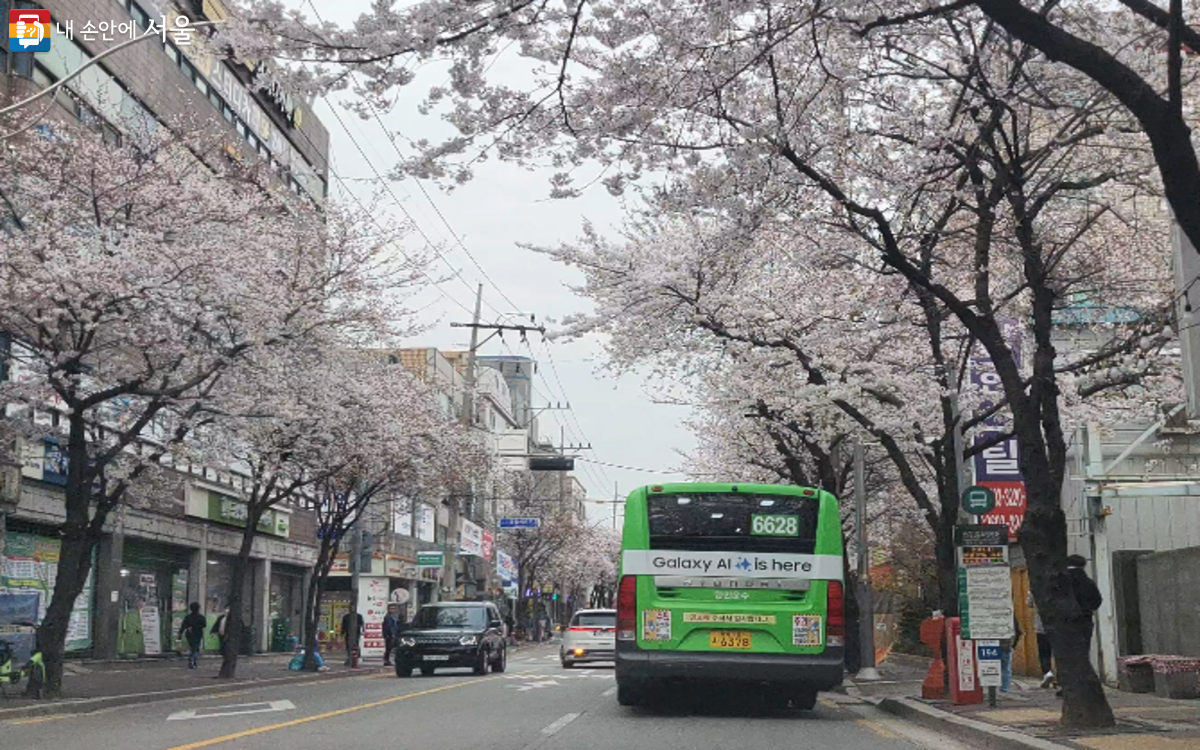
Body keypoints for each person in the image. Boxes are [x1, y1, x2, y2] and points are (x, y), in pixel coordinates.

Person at [1056, 555, 1103, 698]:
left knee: (1064, 654)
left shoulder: (1061, 581)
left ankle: (1065, 685)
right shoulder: (1087, 582)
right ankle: (1083, 685)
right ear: (1083, 565)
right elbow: (1097, 601)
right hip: (1084, 621)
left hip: (1063, 622)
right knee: (1082, 653)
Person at [178, 602, 207, 669]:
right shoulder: (201, 617)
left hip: (189, 634)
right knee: (196, 648)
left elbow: (183, 626)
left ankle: (193, 660)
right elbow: (204, 625)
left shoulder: (188, 617)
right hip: (198, 634)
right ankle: (193, 659)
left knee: (193, 647)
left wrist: (180, 633)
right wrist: (196, 626)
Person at [1000, 614, 1021, 693]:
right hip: (1006, 644)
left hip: (987, 643)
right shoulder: (1009, 611)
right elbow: (1017, 631)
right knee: (1005, 668)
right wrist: (1013, 645)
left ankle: (991, 689)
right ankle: (1005, 689)